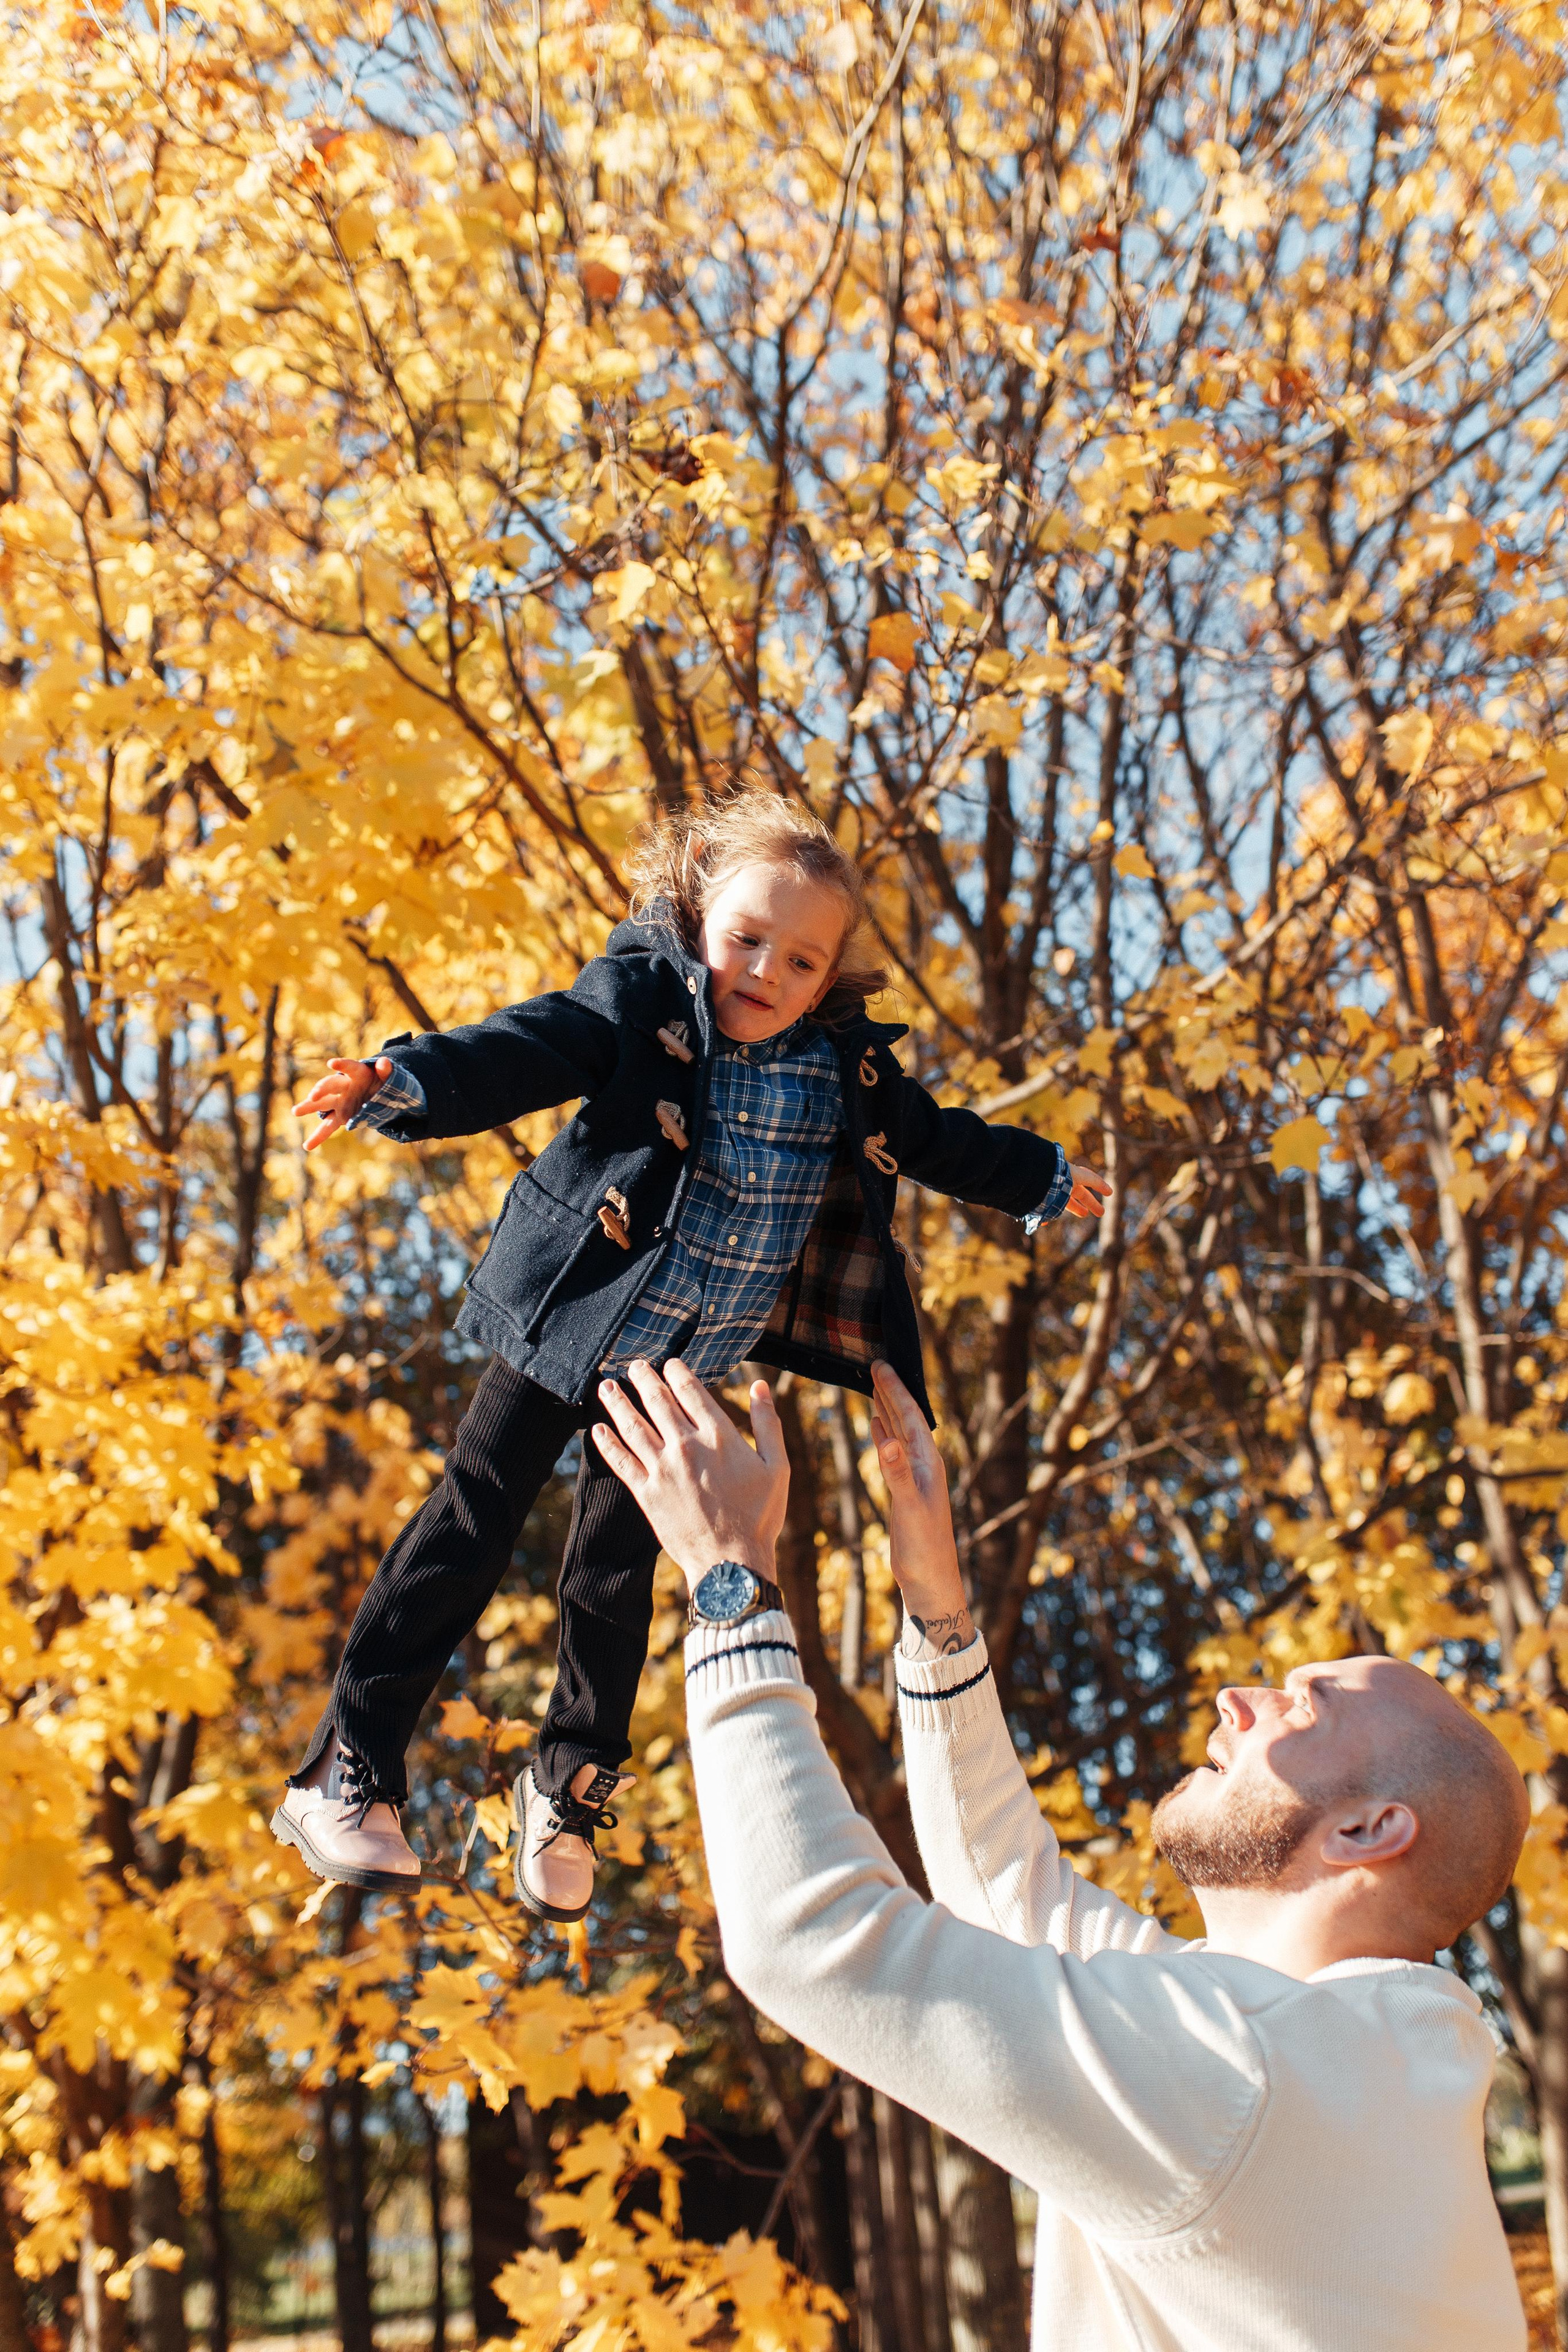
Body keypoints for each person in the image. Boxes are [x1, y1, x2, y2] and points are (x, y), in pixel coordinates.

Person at [271, 794, 1109, 1920]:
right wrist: (397, 1080)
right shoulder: (642, 1003)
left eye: (800, 959)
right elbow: (526, 1047)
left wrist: (1046, 1179)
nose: (765, 970)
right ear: (699, 913)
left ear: (829, 983)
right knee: (470, 1529)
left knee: (615, 1579)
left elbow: (942, 1140)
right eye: (747, 938)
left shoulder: (841, 1074)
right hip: (567, 1318)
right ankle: (347, 1766)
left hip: (674, 1371)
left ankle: (565, 1790)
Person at [589, 1354, 1531, 2351]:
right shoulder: (1334, 2051)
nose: (1236, 1699)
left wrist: (732, 1579)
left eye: (1305, 1704)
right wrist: (937, 1607)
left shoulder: (1250, 2069)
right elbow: (1005, 1891)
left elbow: (809, 1938)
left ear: (1367, 1832)